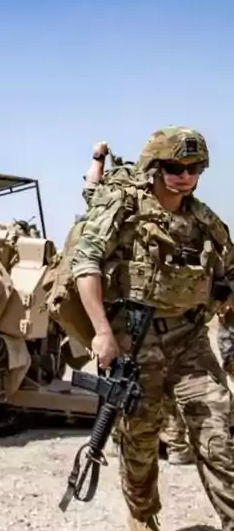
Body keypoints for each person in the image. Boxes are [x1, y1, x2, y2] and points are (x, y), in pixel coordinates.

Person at [71, 126, 234, 531]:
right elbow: (85, 262)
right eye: (174, 167)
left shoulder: (204, 220)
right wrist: (103, 333)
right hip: (135, 341)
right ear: (155, 167)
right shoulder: (124, 208)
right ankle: (142, 515)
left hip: (190, 340)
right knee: (140, 439)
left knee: (219, 431)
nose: (184, 176)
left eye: (193, 168)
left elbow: (230, 269)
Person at [81, 142, 194, 466]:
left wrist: (97, 158)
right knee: (145, 379)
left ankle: (133, 440)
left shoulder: (109, 201)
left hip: (123, 311)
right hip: (145, 309)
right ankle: (171, 443)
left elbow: (90, 187)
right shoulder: (135, 205)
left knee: (123, 380)